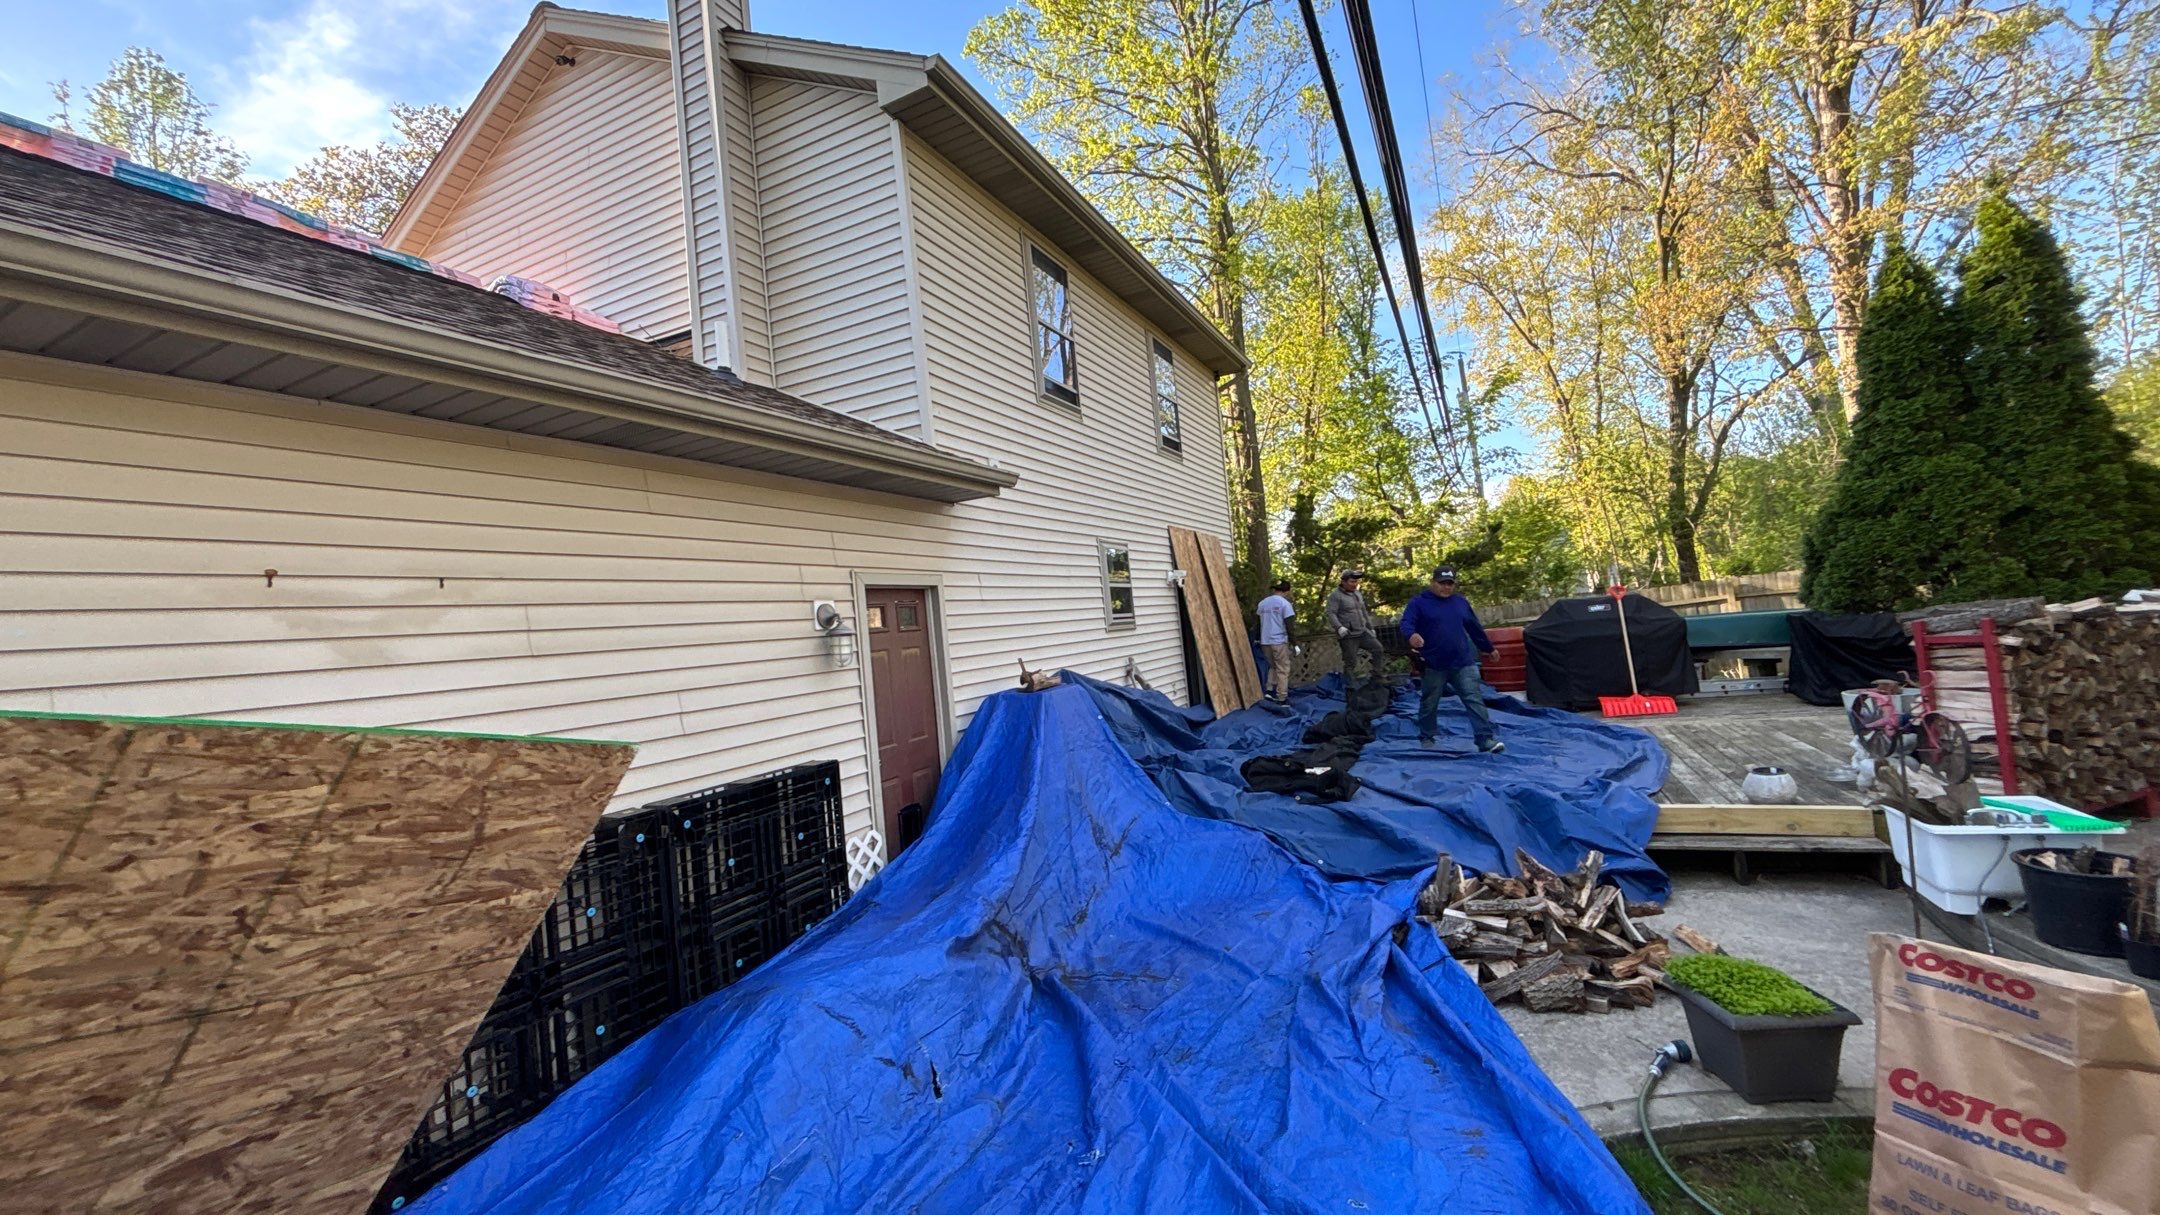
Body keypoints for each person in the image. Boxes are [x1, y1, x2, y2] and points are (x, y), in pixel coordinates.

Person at [1399, 566, 1504, 753]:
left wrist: (1488, 648)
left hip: (1463, 662)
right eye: (1442, 583)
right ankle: (1427, 738)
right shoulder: (1418, 603)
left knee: (1474, 699)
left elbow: (1474, 627)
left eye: (1450, 584)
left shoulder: (1460, 602)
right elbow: (1406, 622)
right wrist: (1411, 635)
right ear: (1432, 583)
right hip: (1433, 663)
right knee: (1430, 702)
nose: (1446, 587)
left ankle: (1485, 739)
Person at [1326, 569, 1385, 684]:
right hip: (1348, 634)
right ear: (1343, 582)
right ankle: (1349, 685)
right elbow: (1331, 613)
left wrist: (1370, 627)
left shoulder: (1357, 593)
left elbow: (1363, 611)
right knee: (1351, 661)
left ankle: (1377, 676)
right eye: (1352, 582)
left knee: (1378, 648)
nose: (1355, 584)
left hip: (1362, 631)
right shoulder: (1336, 595)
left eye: (1356, 582)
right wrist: (1339, 627)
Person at [1256, 579, 1296, 703]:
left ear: (1275, 589)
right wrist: (1294, 643)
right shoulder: (1285, 604)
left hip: (1265, 641)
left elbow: (1257, 623)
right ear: (1287, 591)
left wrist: (1257, 638)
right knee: (1283, 669)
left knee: (1272, 666)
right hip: (1279, 640)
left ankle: (1269, 690)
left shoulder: (1263, 603)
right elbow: (1289, 625)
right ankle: (1282, 696)